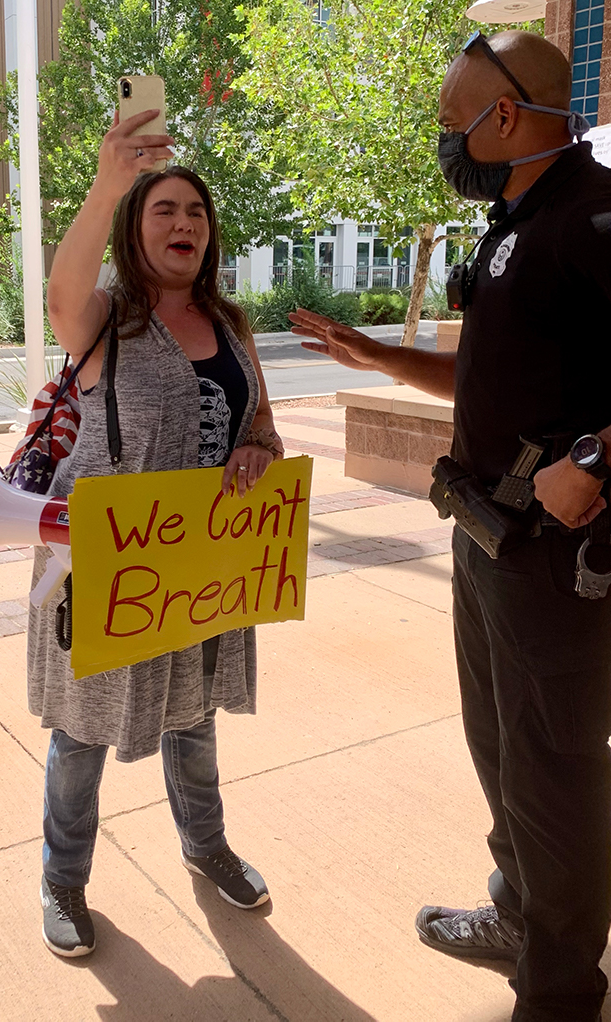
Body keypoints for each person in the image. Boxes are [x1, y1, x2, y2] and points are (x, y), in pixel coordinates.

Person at [290, 30, 611, 1022]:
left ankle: (558, 989)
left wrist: (596, 464)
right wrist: (379, 355)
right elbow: (489, 371)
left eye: (449, 126)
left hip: (555, 558)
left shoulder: (589, 219)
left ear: (504, 118)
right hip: (487, 534)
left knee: (551, 766)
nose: (448, 144)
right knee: (499, 745)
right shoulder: (513, 220)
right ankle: (520, 914)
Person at [30, 109, 285, 958]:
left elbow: (264, 430)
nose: (184, 224)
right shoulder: (107, 321)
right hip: (110, 566)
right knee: (82, 733)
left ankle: (206, 847)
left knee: (196, 716)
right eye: (163, 210)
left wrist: (255, 449)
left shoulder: (235, 325)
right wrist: (111, 179)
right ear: (136, 231)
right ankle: (63, 879)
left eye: (196, 213)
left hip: (205, 569)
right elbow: (60, 293)